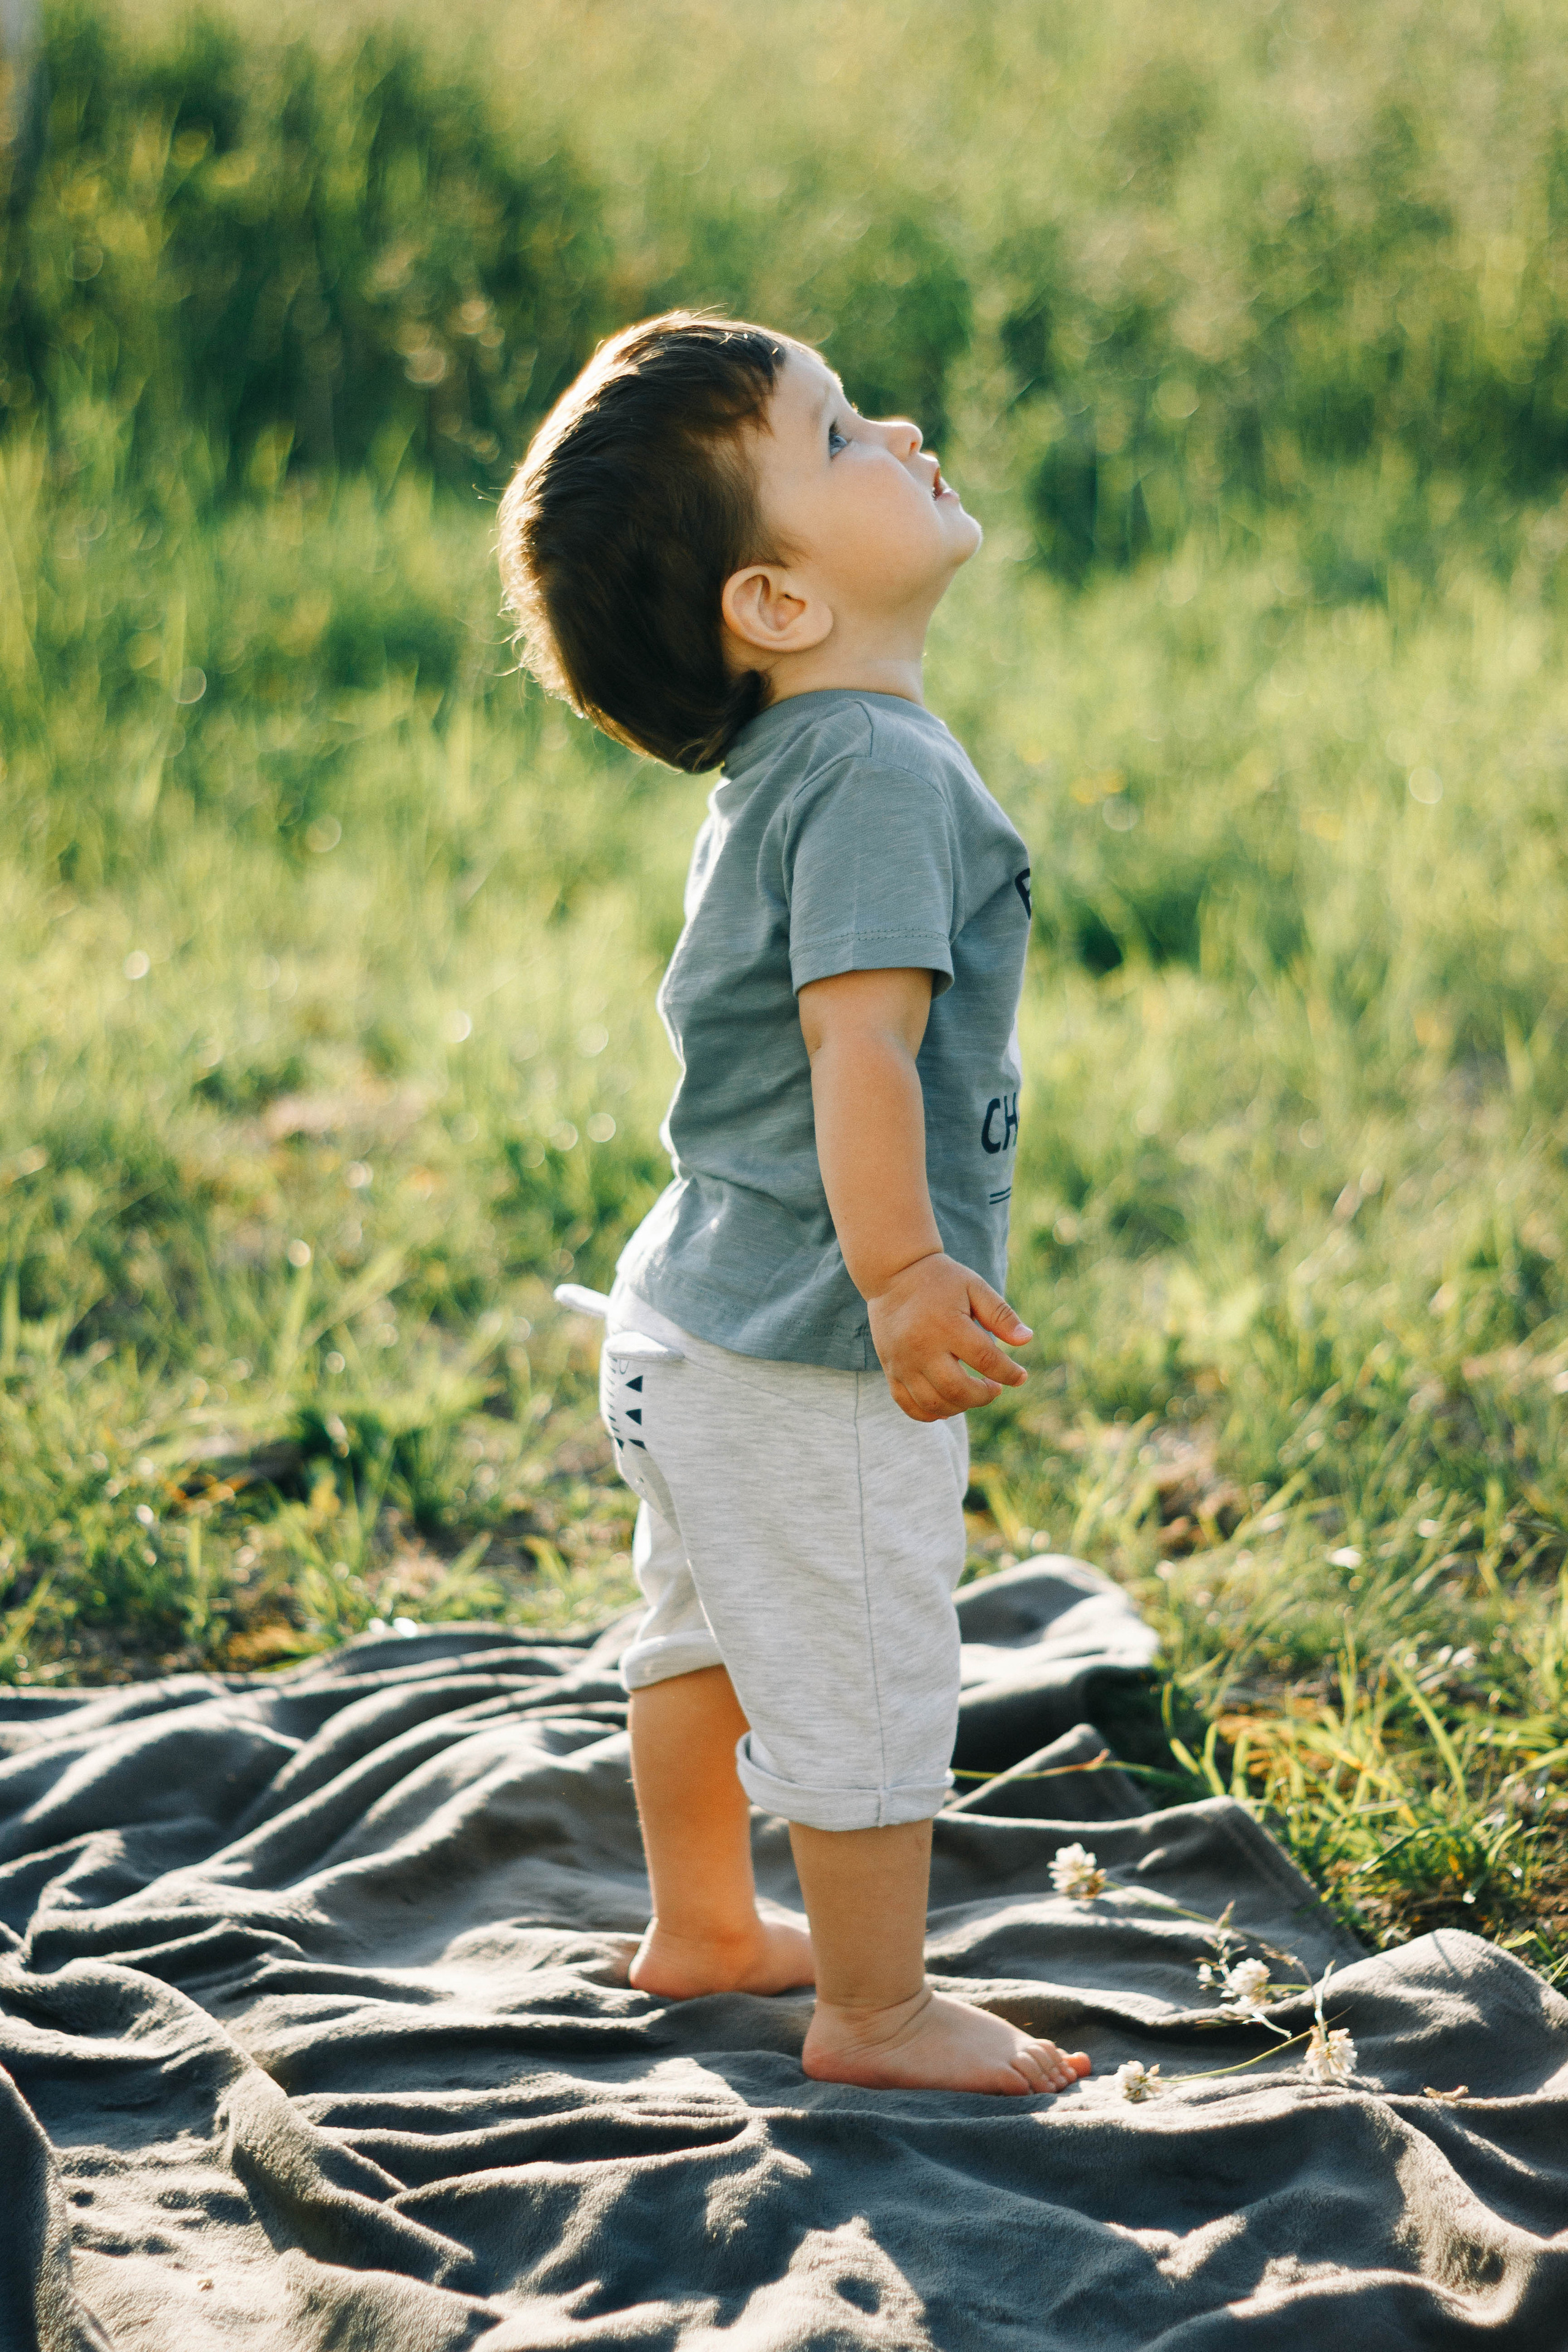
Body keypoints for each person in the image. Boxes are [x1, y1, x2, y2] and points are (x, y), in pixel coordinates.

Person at [497, 313, 1092, 2098]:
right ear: (776, 604)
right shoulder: (881, 775)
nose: (898, 425)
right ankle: (876, 2006)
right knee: (860, 1656)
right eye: (838, 435)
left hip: (686, 1316)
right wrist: (903, 1273)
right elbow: (861, 1051)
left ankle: (700, 1922)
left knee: (699, 1631)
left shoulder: (801, 764)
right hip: (804, 1346)